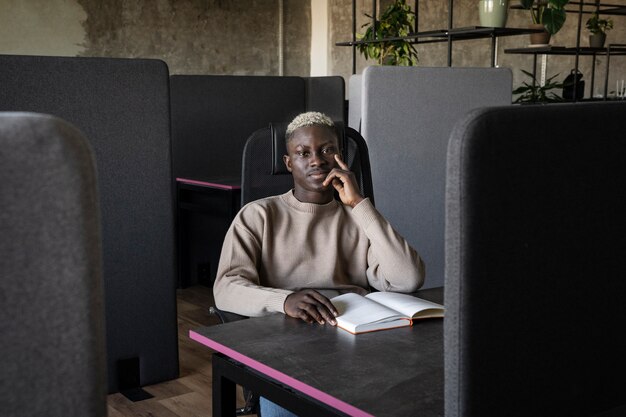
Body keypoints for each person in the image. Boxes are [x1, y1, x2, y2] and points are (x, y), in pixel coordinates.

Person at [213, 111, 425, 417]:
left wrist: (359, 204)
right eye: (303, 153)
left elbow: (409, 277)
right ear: (288, 163)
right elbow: (226, 289)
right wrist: (283, 300)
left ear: (341, 156)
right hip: (287, 346)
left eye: (328, 150)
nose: (317, 160)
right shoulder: (257, 215)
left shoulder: (357, 218)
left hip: (357, 341)